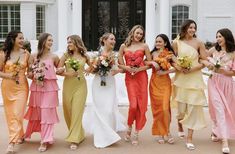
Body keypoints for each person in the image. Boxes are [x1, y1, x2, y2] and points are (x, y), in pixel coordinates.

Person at [83, 33, 126, 148]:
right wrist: (96, 67)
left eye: (114, 39)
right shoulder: (96, 55)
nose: (114, 41)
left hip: (110, 84)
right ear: (105, 41)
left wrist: (115, 71)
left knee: (109, 110)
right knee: (99, 109)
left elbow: (122, 68)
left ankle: (109, 133)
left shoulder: (115, 55)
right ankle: (102, 137)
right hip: (98, 84)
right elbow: (91, 71)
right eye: (111, 39)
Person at [171, 19, 207, 150]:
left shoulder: (199, 43)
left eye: (194, 28)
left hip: (195, 78)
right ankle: (180, 124)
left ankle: (190, 137)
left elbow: (204, 60)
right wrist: (178, 67)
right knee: (181, 109)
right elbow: (172, 59)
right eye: (190, 27)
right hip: (181, 79)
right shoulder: (176, 42)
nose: (192, 30)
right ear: (185, 28)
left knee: (193, 108)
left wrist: (193, 69)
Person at [24, 33, 60, 152]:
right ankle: (45, 135)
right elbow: (28, 73)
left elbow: (60, 70)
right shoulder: (33, 56)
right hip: (37, 88)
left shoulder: (54, 57)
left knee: (46, 112)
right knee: (38, 112)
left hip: (50, 88)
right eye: (49, 40)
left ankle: (45, 140)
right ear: (43, 41)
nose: (51, 42)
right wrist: (35, 76)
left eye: (52, 40)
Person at [202, 28, 235, 154]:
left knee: (227, 110)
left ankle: (216, 130)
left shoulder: (233, 53)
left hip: (227, 84)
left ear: (226, 37)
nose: (218, 39)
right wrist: (209, 64)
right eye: (217, 36)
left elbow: (234, 72)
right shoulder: (214, 50)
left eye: (220, 36)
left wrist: (222, 70)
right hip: (213, 82)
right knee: (217, 108)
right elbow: (202, 57)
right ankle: (225, 141)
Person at [118, 25, 152, 145]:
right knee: (133, 105)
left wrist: (139, 69)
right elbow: (120, 64)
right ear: (132, 33)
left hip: (141, 77)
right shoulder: (123, 46)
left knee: (141, 105)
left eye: (141, 34)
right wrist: (127, 68)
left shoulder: (144, 46)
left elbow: (149, 63)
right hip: (130, 78)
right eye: (137, 33)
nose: (138, 36)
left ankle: (136, 132)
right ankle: (129, 127)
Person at [57, 35, 91, 150]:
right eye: (68, 42)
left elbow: (94, 66)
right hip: (68, 86)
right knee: (68, 111)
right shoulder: (66, 55)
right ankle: (79, 133)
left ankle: (74, 139)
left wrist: (88, 69)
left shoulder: (85, 56)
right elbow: (58, 70)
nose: (68, 44)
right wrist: (67, 73)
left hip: (81, 86)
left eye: (70, 42)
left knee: (77, 111)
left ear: (77, 43)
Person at [0, 30, 30, 153]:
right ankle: (20, 134)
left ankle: (12, 143)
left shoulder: (26, 54)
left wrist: (38, 73)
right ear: (13, 39)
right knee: (11, 114)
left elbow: (31, 70)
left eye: (23, 38)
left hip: (22, 87)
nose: (22, 40)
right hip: (7, 87)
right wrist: (9, 76)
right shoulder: (3, 54)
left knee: (18, 113)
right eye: (20, 38)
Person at [149, 34, 175, 144]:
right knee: (158, 109)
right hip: (154, 83)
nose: (158, 43)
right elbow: (145, 62)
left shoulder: (170, 54)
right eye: (156, 41)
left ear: (165, 43)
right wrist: (152, 62)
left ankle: (168, 132)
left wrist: (165, 71)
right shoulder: (152, 53)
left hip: (165, 83)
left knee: (165, 108)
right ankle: (160, 132)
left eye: (160, 41)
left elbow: (177, 67)